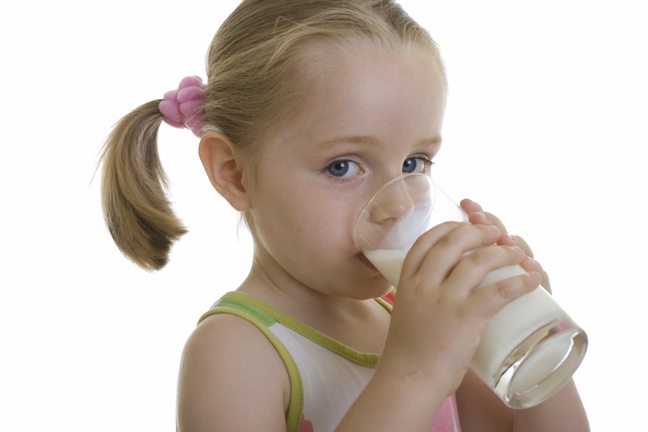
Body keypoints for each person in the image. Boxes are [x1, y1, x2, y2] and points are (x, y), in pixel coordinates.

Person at [99, 1, 589, 430]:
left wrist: (529, 333)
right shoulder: (236, 353)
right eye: (343, 166)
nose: (397, 204)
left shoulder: (415, 309)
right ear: (235, 174)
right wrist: (415, 369)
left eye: (414, 163)